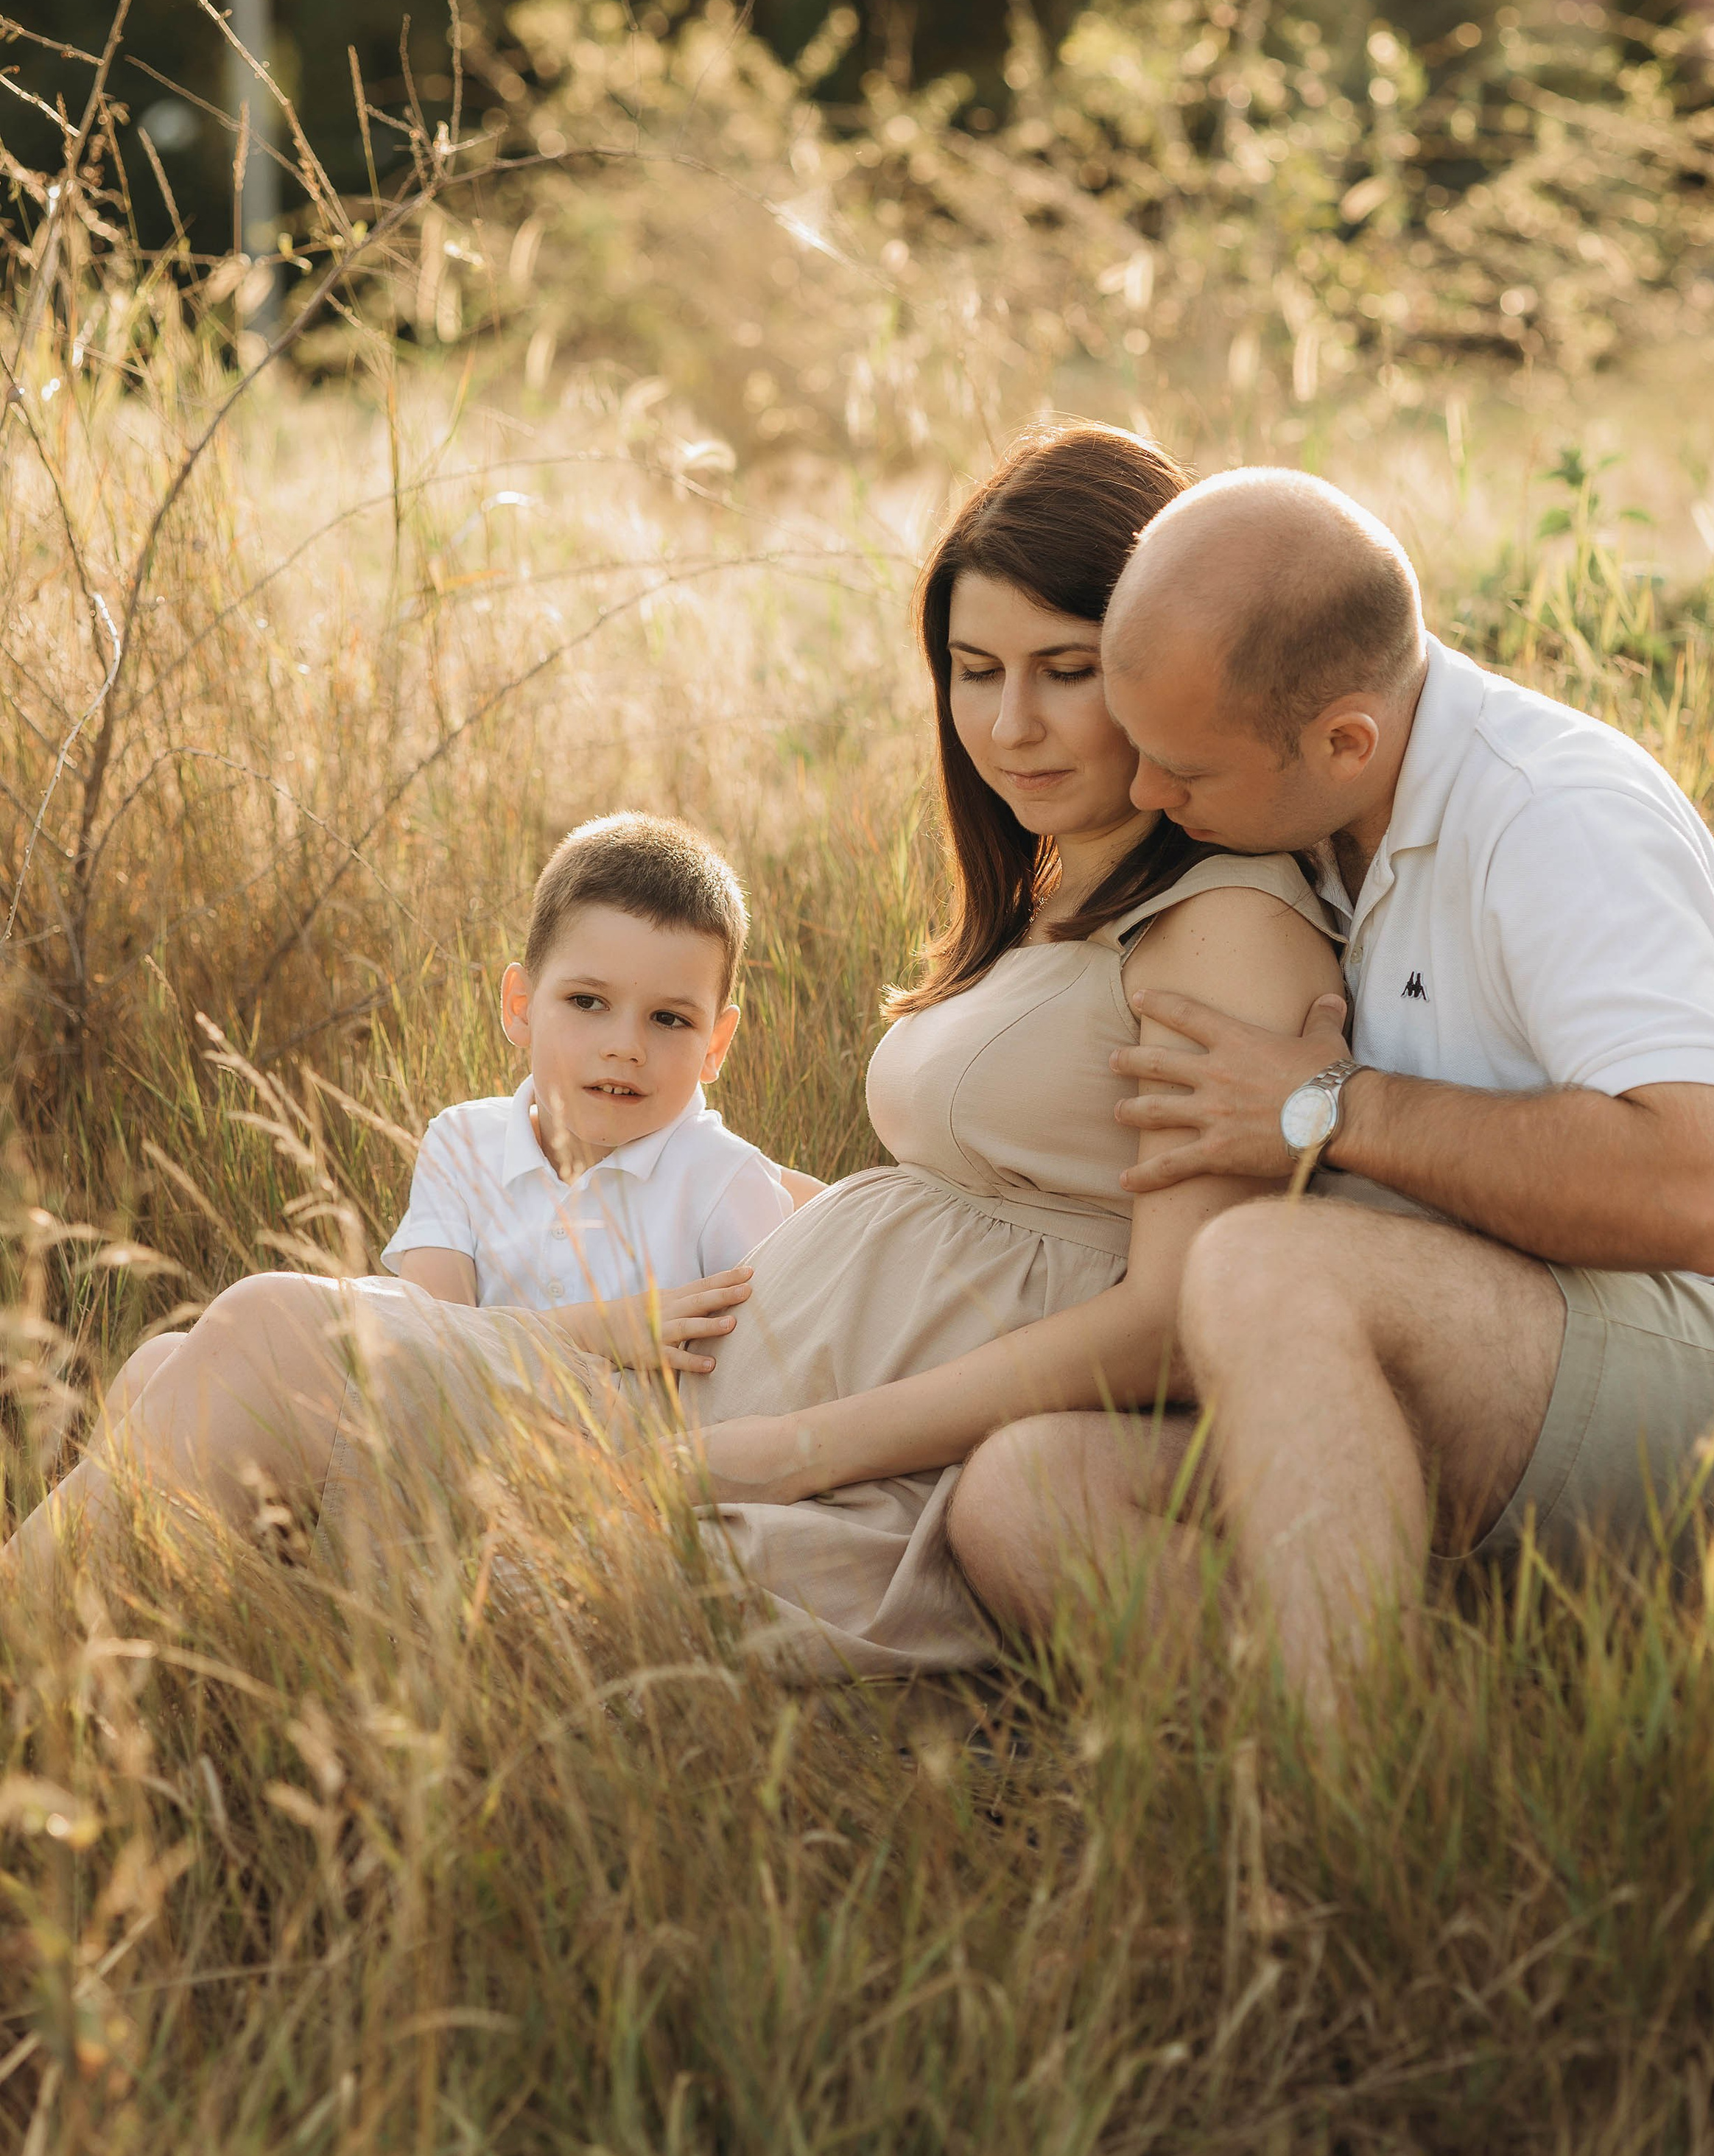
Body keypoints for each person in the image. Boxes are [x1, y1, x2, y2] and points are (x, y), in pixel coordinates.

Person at [1, 426, 1341, 1679]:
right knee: (170, 1378)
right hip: (746, 1378)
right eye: (976, 671)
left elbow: (1173, 1324)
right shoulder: (1058, 887)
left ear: (1165, 659)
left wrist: (789, 1448)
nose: (1009, 725)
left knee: (268, 1339)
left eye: (1067, 670)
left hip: (836, 1448)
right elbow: (987, 1208)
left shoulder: (1223, 922)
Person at [946, 468, 1714, 1713]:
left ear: (1347, 740)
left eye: (1187, 771)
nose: (1151, 794)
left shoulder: (1555, 817)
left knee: (1266, 1265)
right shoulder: (1307, 820)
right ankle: (1453, 1743)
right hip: (1488, 1367)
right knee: (1024, 1496)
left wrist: (1335, 1107)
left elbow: (1706, 1191)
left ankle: (1335, 1793)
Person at [384, 810, 814, 1373]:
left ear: (715, 1044)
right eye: (587, 1002)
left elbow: (772, 1377)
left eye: (669, 1018)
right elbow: (429, 1354)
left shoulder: (726, 1183)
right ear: (521, 1007)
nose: (625, 1047)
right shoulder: (461, 1144)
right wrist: (597, 1332)